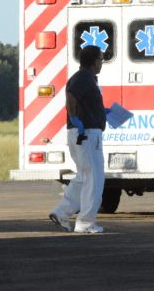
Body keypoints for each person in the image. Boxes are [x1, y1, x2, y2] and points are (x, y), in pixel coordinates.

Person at [50, 46, 107, 234]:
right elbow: (71, 95)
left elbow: (81, 100)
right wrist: (74, 117)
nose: (102, 62)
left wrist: (102, 112)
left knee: (83, 177)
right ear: (93, 61)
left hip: (85, 133)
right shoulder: (84, 77)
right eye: (101, 59)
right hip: (87, 135)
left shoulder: (85, 77)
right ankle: (86, 222)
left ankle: (62, 213)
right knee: (93, 179)